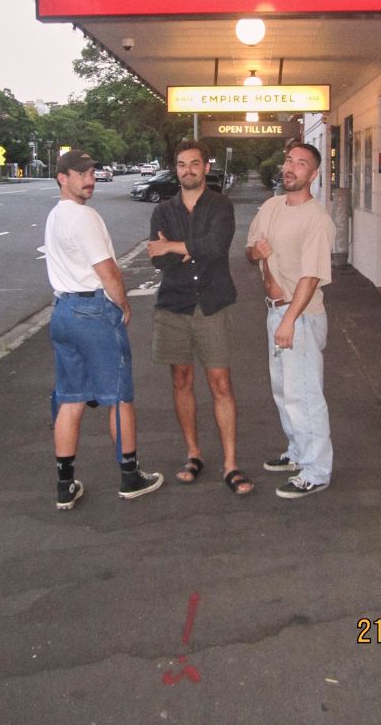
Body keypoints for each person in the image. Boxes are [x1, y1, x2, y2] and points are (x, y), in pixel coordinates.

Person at [44, 149, 163, 510]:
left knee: (71, 397)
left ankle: (65, 484)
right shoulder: (83, 217)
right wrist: (123, 304)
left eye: (92, 171)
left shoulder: (55, 215)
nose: (89, 178)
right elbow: (107, 270)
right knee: (118, 396)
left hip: (62, 310)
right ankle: (130, 476)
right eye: (80, 173)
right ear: (62, 178)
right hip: (92, 312)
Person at [147, 140, 254, 495]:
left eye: (194, 164)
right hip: (173, 305)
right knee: (181, 380)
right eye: (181, 164)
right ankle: (193, 454)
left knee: (221, 383)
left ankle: (231, 464)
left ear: (206, 167)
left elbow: (217, 247)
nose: (187, 170)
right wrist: (189, 249)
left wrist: (175, 246)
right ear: (175, 169)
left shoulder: (221, 205)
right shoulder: (162, 212)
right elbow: (158, 260)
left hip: (213, 304)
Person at [246, 142, 336, 499]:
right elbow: (251, 250)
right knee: (285, 392)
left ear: (313, 175)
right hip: (275, 312)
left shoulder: (317, 219)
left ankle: (317, 470)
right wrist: (258, 253)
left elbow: (311, 276)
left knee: (305, 396)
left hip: (298, 316)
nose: (291, 168)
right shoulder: (270, 207)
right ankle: (298, 452)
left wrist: (289, 321)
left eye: (301, 164)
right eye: (288, 161)